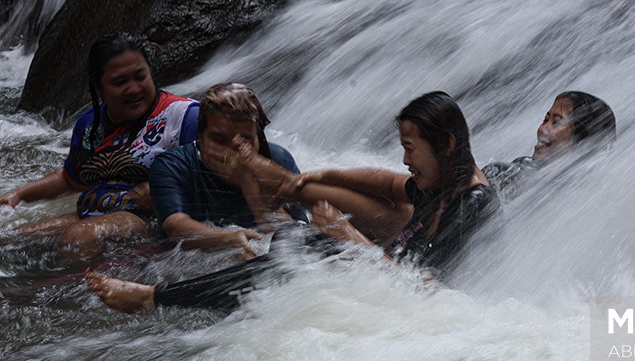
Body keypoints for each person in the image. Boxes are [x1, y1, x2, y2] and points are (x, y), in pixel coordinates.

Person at [87, 91, 500, 312]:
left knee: (293, 256)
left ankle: (153, 298)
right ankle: (179, 294)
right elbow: (388, 184)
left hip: (411, 310)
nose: (405, 160)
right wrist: (325, 174)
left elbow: (430, 292)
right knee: (296, 245)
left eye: (410, 149)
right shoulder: (444, 181)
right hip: (384, 279)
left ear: (445, 144)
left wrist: (349, 237)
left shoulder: (472, 203)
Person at [0, 32, 198, 256]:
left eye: (140, 76)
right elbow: (71, 178)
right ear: (99, 89)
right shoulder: (89, 125)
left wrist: (168, 192)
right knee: (7, 239)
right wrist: (18, 194)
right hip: (92, 213)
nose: (134, 88)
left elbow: (217, 171)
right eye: (120, 82)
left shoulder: (184, 117)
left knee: (78, 237)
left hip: (149, 219)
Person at [148, 82, 303, 259]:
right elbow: (175, 227)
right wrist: (225, 240)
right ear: (200, 136)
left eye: (245, 139)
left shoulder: (279, 161)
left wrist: (248, 182)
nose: (231, 151)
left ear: (258, 138)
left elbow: (294, 236)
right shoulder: (172, 166)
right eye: (219, 139)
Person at [483, 91, 616, 198]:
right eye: (545, 120)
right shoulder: (516, 173)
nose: (541, 129)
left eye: (556, 123)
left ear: (583, 139)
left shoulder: (592, 195)